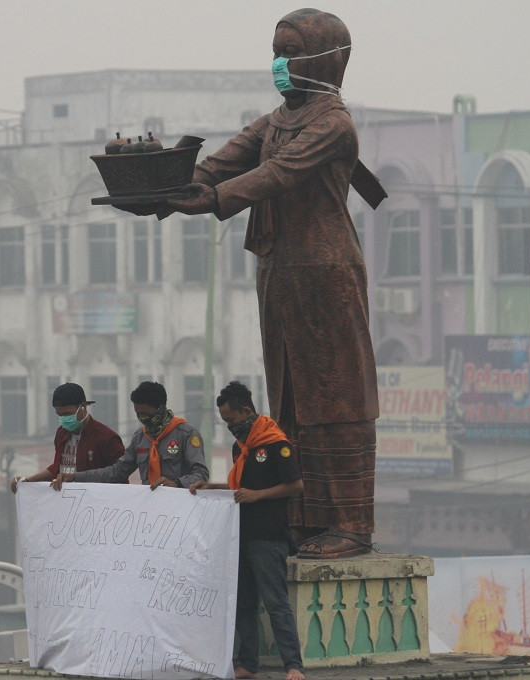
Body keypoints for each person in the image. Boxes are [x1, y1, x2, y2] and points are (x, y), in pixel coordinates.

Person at [140, 8, 380, 558]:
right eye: (275, 51)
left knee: (335, 397)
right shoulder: (273, 121)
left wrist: (214, 200)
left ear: (326, 60)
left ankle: (349, 522)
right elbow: (224, 162)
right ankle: (303, 515)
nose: (279, 63)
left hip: (326, 273)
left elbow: (276, 174)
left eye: (290, 52)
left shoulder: (332, 123)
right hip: (277, 268)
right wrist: (172, 187)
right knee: (291, 395)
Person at [190, 380, 304, 680]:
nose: (230, 426)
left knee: (276, 603)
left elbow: (295, 485)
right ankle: (248, 663)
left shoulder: (276, 443)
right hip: (240, 534)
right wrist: (212, 487)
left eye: (232, 419)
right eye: (225, 421)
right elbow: (237, 488)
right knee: (244, 602)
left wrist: (257, 494)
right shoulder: (241, 446)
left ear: (246, 410)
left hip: (268, 536)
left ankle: (293, 665)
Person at [53, 381, 209, 489]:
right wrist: (75, 476)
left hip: (180, 506)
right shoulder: (140, 437)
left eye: (146, 414)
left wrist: (177, 483)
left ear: (161, 408)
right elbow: (117, 471)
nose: (142, 418)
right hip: (151, 508)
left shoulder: (186, 434)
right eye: (138, 413)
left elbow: (201, 474)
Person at [11, 382, 125, 493]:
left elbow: (119, 475)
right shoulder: (62, 433)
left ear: (83, 407)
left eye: (67, 414)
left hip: (93, 502)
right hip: (65, 502)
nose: (63, 419)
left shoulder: (106, 437)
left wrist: (76, 477)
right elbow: (57, 468)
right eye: (59, 415)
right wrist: (28, 480)